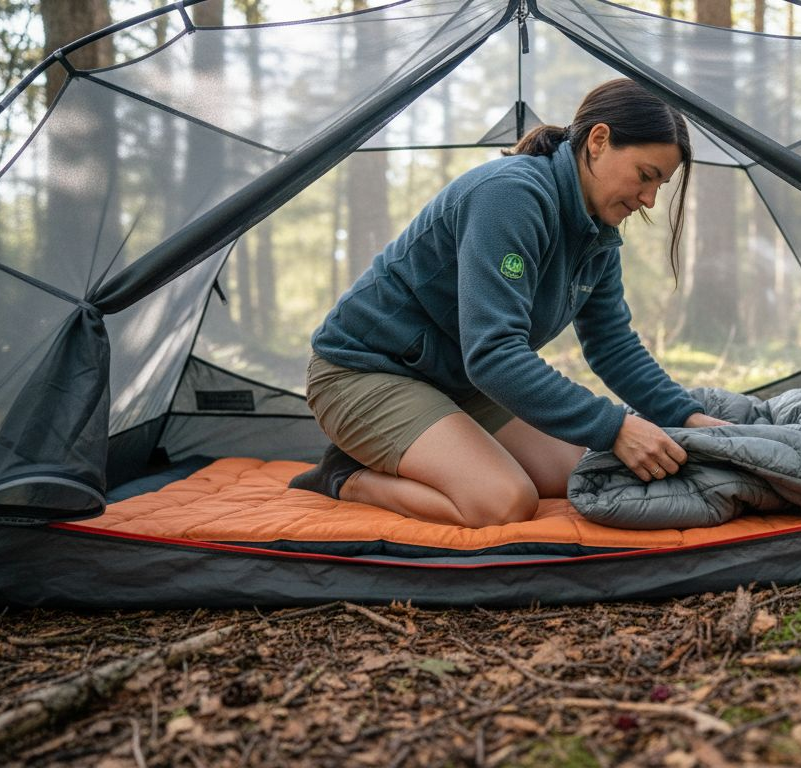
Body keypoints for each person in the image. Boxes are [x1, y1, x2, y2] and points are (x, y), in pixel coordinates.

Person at [290, 78, 730, 528]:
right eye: (645, 175)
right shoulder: (511, 196)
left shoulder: (597, 235)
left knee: (568, 472)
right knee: (503, 502)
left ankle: (423, 443)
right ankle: (345, 475)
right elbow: (494, 353)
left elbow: (611, 343)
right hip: (363, 372)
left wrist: (686, 416)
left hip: (454, 383)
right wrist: (615, 426)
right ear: (598, 141)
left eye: (661, 185)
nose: (649, 199)